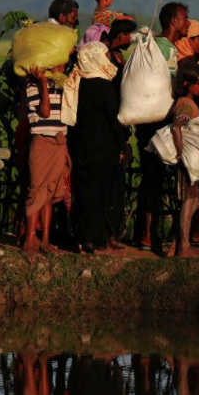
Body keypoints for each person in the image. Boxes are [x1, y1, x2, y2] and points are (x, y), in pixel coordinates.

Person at [133, 1, 190, 252]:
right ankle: (147, 234)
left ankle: (145, 233)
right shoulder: (166, 49)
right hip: (158, 122)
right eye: (185, 19)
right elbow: (168, 85)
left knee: (151, 178)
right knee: (154, 180)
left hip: (147, 121)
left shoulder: (153, 44)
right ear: (174, 22)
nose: (188, 23)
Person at [70, 40, 127, 255]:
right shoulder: (103, 85)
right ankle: (98, 241)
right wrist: (122, 144)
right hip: (104, 148)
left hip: (82, 146)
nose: (107, 59)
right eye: (104, 55)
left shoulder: (78, 81)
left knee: (85, 193)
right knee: (101, 195)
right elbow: (114, 119)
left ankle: (85, 240)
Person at [20, 63, 70, 260]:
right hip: (42, 144)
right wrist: (42, 83)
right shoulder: (31, 84)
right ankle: (29, 241)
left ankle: (46, 240)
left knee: (49, 194)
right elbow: (45, 112)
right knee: (37, 192)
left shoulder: (61, 84)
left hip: (59, 143)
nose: (62, 65)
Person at [170, 62, 199, 258]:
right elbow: (177, 127)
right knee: (189, 201)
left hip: (190, 161)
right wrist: (181, 153)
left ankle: (177, 246)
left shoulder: (189, 102)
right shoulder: (185, 104)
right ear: (187, 83)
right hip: (188, 161)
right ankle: (184, 247)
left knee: (191, 199)